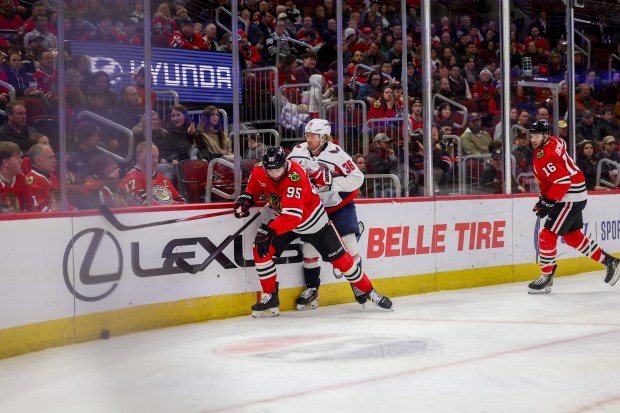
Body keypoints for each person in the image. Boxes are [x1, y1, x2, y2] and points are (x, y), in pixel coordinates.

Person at [233, 146, 392, 317]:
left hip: (314, 223)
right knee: (261, 248)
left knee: (344, 263)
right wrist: (246, 201)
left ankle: (370, 292)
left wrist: (268, 230)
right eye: (270, 170)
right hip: (286, 221)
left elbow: (293, 217)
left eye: (278, 169)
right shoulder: (259, 170)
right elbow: (253, 190)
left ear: (285, 164)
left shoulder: (296, 175)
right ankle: (270, 295)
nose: (274, 174)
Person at [527, 120, 620, 293]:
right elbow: (561, 147)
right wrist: (546, 199)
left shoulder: (545, 156)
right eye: (531, 136)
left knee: (547, 235)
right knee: (572, 236)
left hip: (569, 196)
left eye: (537, 136)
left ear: (545, 136)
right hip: (576, 192)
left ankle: (546, 278)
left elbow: (562, 182)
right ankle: (610, 262)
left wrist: (547, 202)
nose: (533, 139)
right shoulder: (555, 141)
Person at [287, 119, 365, 310]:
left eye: (313, 136)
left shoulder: (337, 155)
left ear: (323, 137)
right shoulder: (298, 151)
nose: (308, 139)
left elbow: (357, 178)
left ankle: (359, 285)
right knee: (309, 250)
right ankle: (312, 290)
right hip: (313, 209)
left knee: (350, 245)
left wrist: (331, 182)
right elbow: (287, 172)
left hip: (339, 205)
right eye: (307, 135)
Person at [118, 142, 186, 205]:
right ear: (139, 158)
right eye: (152, 157)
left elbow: (181, 200)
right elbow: (145, 204)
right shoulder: (132, 178)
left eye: (157, 157)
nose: (155, 161)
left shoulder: (163, 179)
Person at [25, 143, 59, 211]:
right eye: (50, 157)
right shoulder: (31, 179)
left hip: (57, 217)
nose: (54, 161)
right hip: (43, 220)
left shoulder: (53, 177)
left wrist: (75, 212)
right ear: (38, 161)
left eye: (54, 157)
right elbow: (39, 209)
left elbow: (61, 202)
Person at [0, 141, 30, 213]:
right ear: (5, 162)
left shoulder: (21, 177)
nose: (22, 161)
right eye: (17, 158)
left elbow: (28, 206)